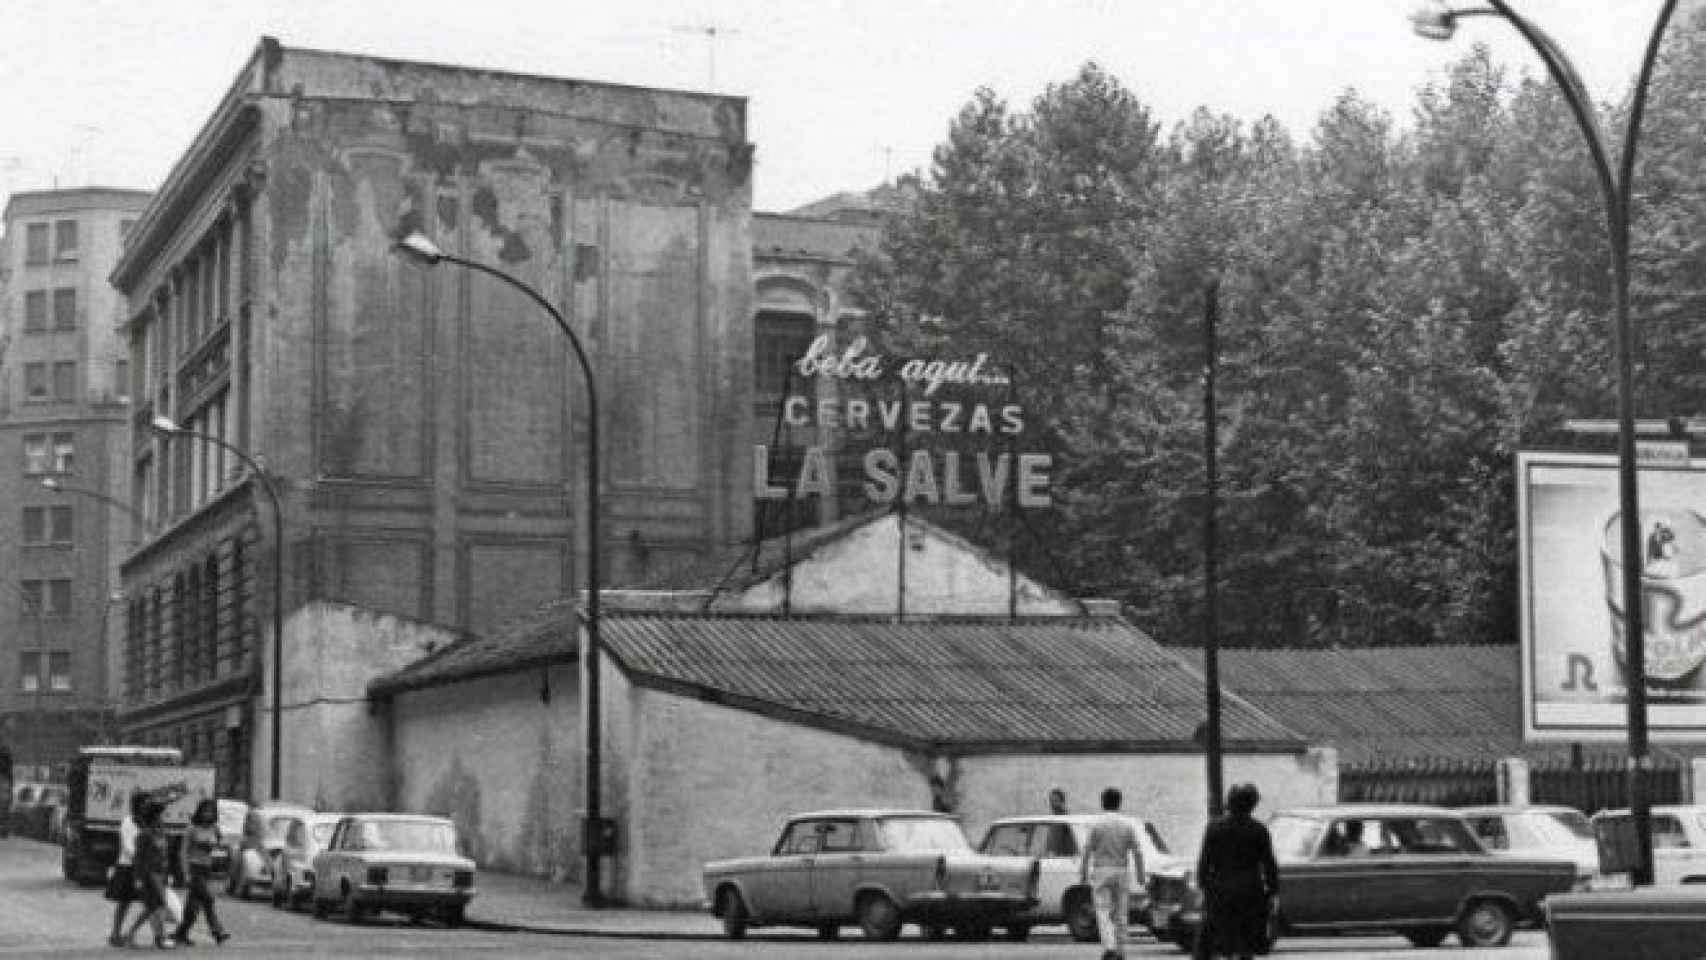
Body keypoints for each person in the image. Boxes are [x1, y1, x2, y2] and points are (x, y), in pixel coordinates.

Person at [1194, 783, 1279, 960]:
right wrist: (1273, 892)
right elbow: (1269, 864)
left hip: (1219, 890)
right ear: (1252, 804)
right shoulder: (1259, 830)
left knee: (1219, 938)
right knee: (1246, 941)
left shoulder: (1214, 827)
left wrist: (1202, 886)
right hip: (1250, 891)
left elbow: (1204, 860)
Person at [1078, 787, 1144, 960]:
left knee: (1103, 911)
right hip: (1121, 870)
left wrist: (1083, 872)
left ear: (1102, 802)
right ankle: (1121, 949)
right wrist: (1140, 874)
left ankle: (1110, 946)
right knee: (1121, 912)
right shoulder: (1127, 825)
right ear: (1119, 803)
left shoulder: (1096, 825)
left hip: (1101, 870)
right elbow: (1137, 851)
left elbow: (1086, 851)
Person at [173, 799, 230, 946]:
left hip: (207, 869)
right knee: (208, 899)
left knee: (193, 906)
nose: (208, 814)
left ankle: (181, 933)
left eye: (211, 811)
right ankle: (218, 930)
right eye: (205, 811)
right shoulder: (191, 829)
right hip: (193, 868)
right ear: (200, 812)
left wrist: (219, 846)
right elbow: (183, 852)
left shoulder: (214, 828)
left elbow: (221, 845)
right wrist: (186, 873)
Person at [124, 800, 177, 949]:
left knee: (152, 908)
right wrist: (138, 879)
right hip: (149, 876)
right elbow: (138, 859)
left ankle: (132, 935)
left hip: (161, 875)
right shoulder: (144, 836)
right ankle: (161, 938)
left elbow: (165, 856)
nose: (162, 818)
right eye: (160, 816)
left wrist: (168, 874)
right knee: (157, 906)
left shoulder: (162, 833)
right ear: (153, 817)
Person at [106, 792, 149, 947]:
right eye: (143, 803)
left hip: (145, 867)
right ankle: (115, 934)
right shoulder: (128, 821)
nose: (146, 807)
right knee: (125, 902)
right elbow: (128, 846)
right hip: (128, 866)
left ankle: (131, 932)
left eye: (148, 804)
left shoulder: (149, 823)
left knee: (152, 903)